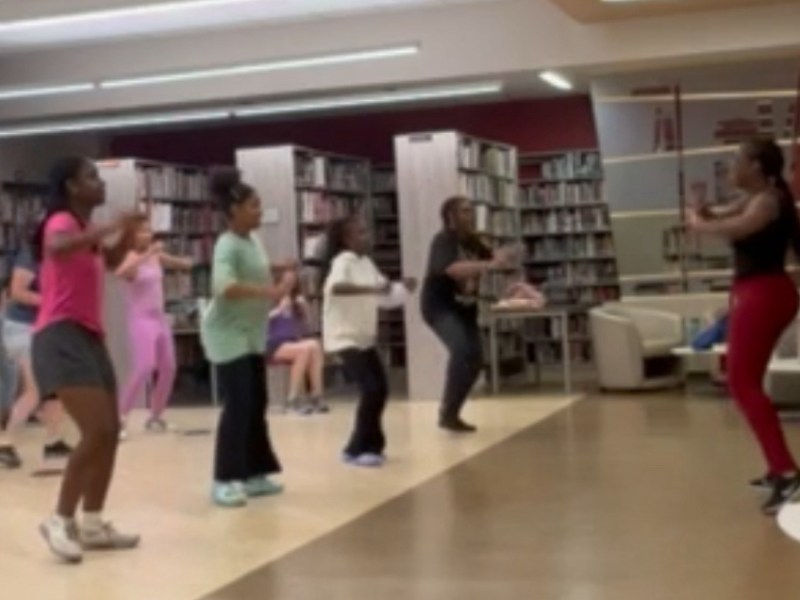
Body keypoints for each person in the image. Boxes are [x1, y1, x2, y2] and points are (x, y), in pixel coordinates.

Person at [32, 156, 142, 563]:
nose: (101, 183)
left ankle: (92, 523)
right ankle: (59, 519)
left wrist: (126, 236)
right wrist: (108, 227)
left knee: (111, 431)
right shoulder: (61, 221)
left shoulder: (85, 231)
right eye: (91, 177)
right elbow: (57, 247)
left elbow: (109, 263)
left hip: (90, 335)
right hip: (60, 335)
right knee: (95, 431)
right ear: (72, 188)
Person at [686, 138, 800, 515]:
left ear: (756, 166)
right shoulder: (757, 196)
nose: (731, 166)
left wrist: (700, 224)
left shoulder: (767, 201)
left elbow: (737, 228)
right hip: (756, 292)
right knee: (744, 382)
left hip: (765, 293)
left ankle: (786, 472)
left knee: (742, 383)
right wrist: (705, 210)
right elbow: (725, 213)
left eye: (737, 160)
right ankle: (777, 466)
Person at [202, 168, 296, 508]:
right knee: (239, 404)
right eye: (254, 206)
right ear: (234, 211)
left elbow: (255, 267)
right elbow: (224, 286)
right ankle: (224, 478)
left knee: (257, 403)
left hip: (251, 333)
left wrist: (279, 266)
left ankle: (255, 473)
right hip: (226, 335)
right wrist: (271, 291)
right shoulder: (226, 244)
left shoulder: (252, 241)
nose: (260, 211)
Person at [322, 216, 416, 468]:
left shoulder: (367, 263)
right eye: (361, 232)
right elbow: (337, 288)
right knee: (371, 389)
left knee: (380, 389)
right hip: (343, 338)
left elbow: (384, 298)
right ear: (346, 239)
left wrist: (403, 289)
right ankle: (366, 447)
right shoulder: (344, 261)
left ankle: (356, 447)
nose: (367, 236)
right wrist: (373, 289)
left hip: (363, 337)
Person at [420, 196, 514, 433]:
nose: (470, 215)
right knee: (461, 350)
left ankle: (450, 414)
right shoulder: (443, 240)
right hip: (439, 307)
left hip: (465, 307)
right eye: (464, 211)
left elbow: (492, 259)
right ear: (450, 216)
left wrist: (504, 258)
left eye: (471, 211)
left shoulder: (472, 241)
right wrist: (488, 266)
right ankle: (446, 410)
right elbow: (452, 269)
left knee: (475, 361)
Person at [115, 218, 192, 439]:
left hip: (160, 319)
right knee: (144, 366)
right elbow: (121, 273)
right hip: (141, 320)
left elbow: (178, 262)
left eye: (148, 231)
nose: (146, 236)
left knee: (169, 367)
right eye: (141, 232)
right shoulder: (132, 258)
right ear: (131, 236)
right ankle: (120, 417)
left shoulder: (156, 256)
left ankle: (156, 416)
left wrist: (187, 262)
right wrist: (148, 255)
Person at [1, 244, 72, 469]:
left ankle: (53, 441)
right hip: (22, 328)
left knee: (54, 390)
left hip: (45, 328)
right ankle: (5, 443)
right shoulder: (30, 254)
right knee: (35, 391)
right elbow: (17, 291)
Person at [267, 284, 327, 415]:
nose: (287, 298)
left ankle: (316, 395)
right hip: (274, 345)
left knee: (315, 346)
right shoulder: (271, 307)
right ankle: (292, 400)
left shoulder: (295, 309)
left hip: (292, 344)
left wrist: (304, 309)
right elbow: (260, 324)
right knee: (304, 350)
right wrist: (278, 311)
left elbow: (303, 330)